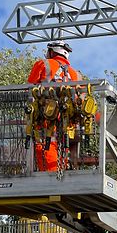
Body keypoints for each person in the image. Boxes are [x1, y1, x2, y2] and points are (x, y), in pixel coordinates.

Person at [27, 41, 82, 172]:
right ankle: (60, 170)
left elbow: (28, 89)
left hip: (46, 113)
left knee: (45, 143)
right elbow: (81, 98)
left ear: (52, 51)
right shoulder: (77, 75)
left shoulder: (44, 64)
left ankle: (50, 174)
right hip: (68, 118)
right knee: (63, 144)